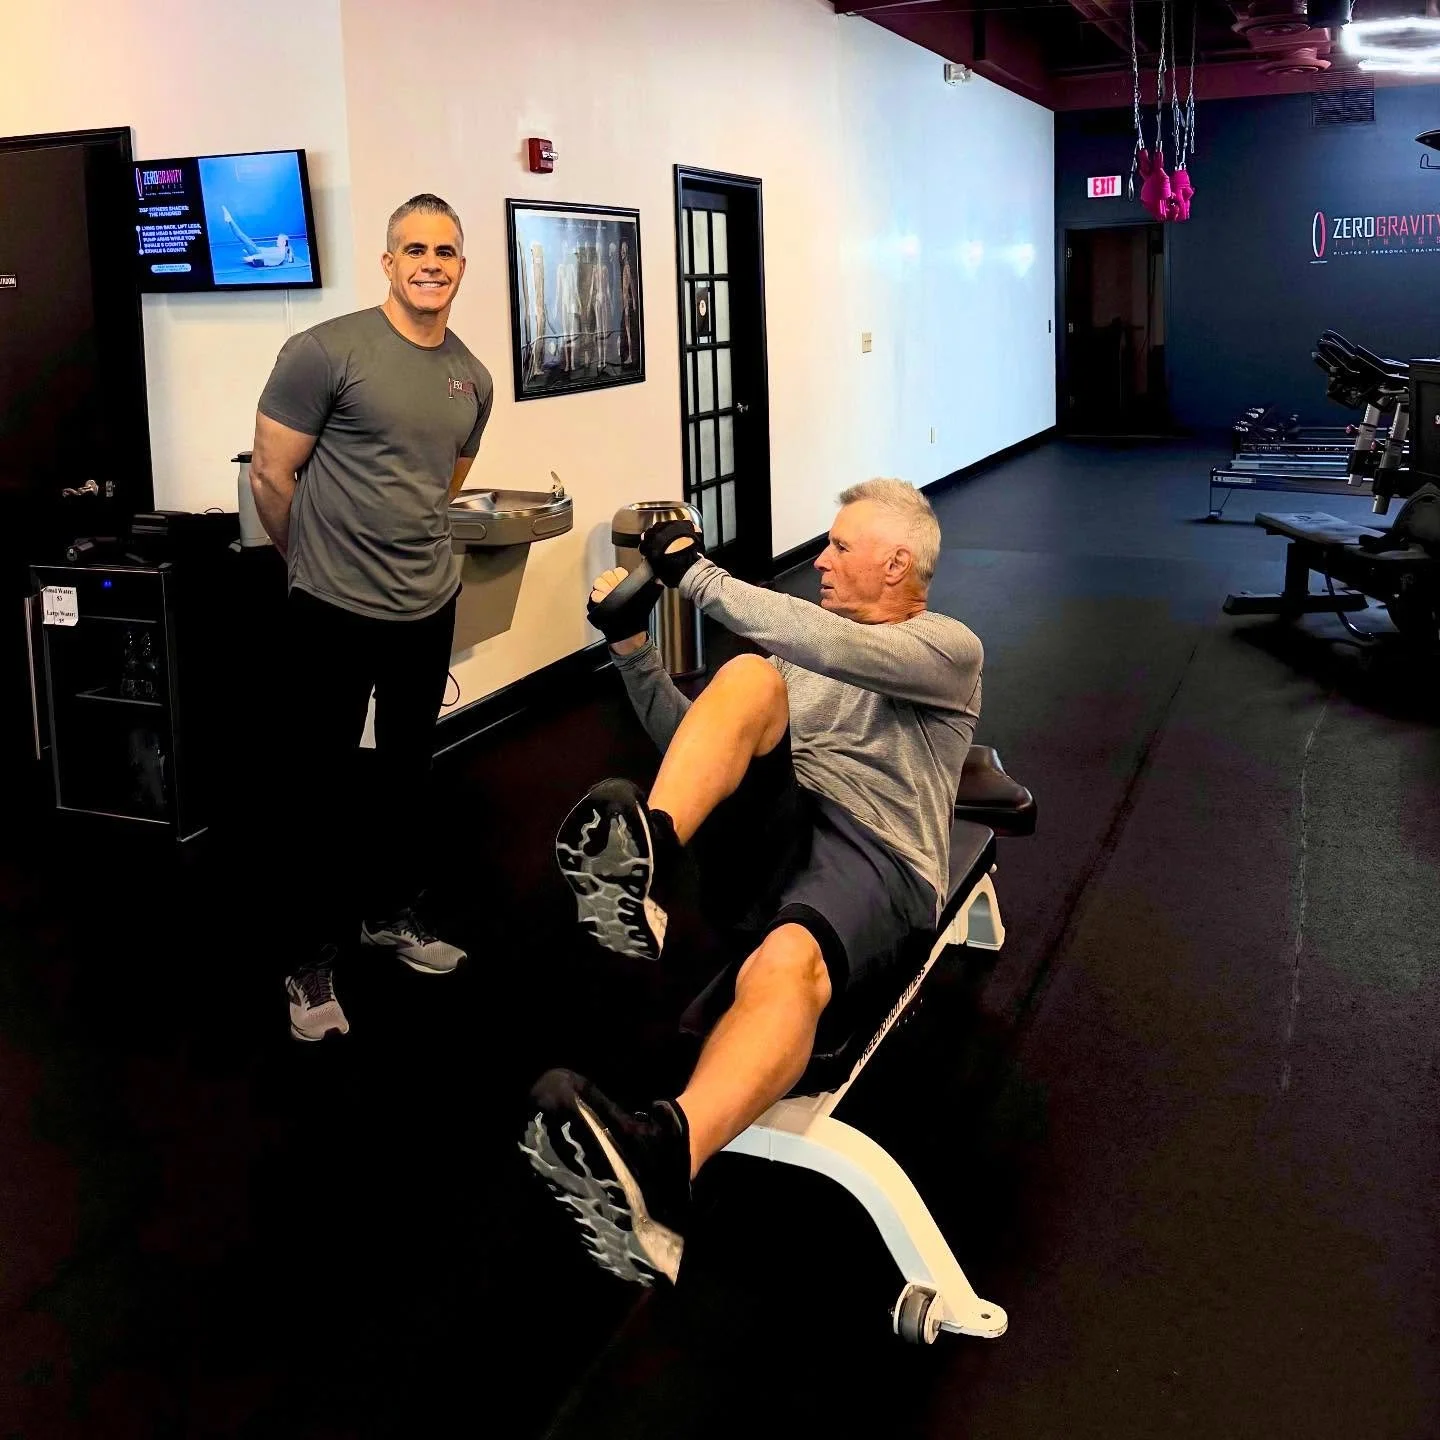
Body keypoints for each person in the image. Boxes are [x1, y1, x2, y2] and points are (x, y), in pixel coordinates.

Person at [521, 479, 982, 1285]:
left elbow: (840, 649)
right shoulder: (795, 657)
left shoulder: (947, 648)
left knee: (785, 966)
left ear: (898, 563)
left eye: (841, 547)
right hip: (778, 836)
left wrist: (696, 575)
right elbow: (697, 741)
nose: (824, 560)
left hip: (876, 853)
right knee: (746, 683)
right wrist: (632, 651)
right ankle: (651, 857)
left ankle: (666, 1167)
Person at [248, 193, 493, 1041]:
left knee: (404, 775)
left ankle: (390, 914)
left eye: (447, 251)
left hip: (426, 605)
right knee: (314, 790)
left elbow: (442, 482)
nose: (431, 262)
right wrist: (306, 561)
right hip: (331, 608)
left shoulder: (473, 376)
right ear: (387, 262)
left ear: (464, 266)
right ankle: (306, 961)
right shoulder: (325, 351)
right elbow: (273, 476)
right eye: (414, 248)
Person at [222, 204, 295, 268]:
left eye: (279, 240)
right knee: (248, 241)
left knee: (243, 237)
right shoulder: (279, 250)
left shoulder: (280, 255)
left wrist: (252, 257)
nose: (277, 241)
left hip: (259, 262)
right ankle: (229, 220)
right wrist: (254, 248)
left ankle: (229, 220)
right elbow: (266, 250)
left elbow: (266, 256)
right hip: (259, 257)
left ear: (284, 242)